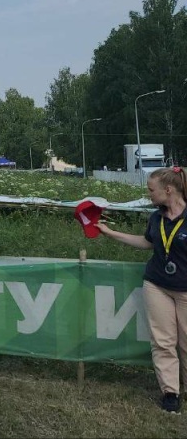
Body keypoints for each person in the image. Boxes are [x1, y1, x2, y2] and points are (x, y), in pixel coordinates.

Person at [97, 166, 187, 413]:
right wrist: (110, 233)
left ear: (168, 190)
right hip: (156, 285)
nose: (148, 194)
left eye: (151, 190)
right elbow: (147, 243)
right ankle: (171, 392)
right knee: (162, 341)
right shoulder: (156, 217)